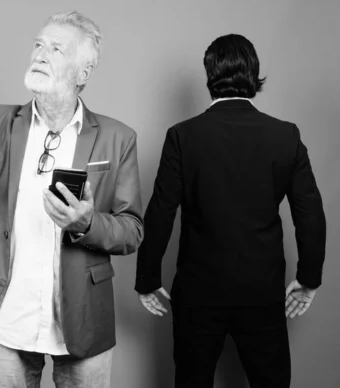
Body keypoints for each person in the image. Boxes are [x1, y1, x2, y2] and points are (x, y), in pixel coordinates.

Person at [0, 11, 143, 387]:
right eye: (38, 45)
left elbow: (132, 230)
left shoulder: (117, 138)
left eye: (56, 49)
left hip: (83, 321)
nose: (40, 55)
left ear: (83, 73)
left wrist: (87, 223)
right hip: (7, 319)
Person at [135, 34, 327, 387]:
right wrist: (308, 278)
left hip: (198, 291)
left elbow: (162, 210)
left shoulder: (183, 135)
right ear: (254, 75)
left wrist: (147, 278)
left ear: (210, 75)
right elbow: (310, 214)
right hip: (262, 290)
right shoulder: (285, 136)